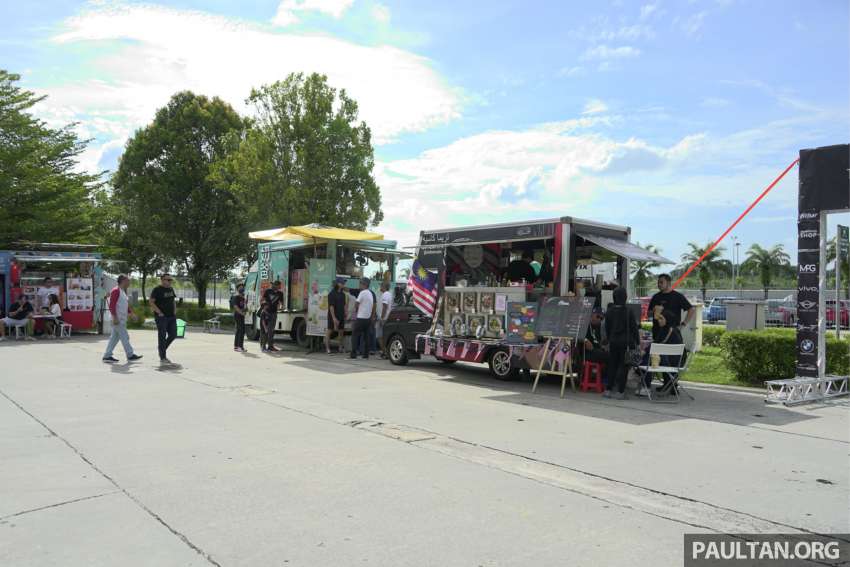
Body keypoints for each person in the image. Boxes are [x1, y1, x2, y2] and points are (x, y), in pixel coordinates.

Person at [603, 287, 639, 399]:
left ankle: (608, 390)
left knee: (612, 365)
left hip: (613, 342)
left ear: (614, 297)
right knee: (624, 367)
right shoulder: (628, 311)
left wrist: (609, 340)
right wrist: (637, 342)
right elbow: (634, 328)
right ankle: (620, 392)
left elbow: (607, 328)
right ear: (625, 297)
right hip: (626, 343)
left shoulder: (609, 312)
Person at [103, 275, 142, 363]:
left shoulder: (122, 292)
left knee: (114, 338)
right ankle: (130, 354)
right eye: (128, 281)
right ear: (123, 281)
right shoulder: (116, 291)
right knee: (125, 337)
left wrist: (132, 314)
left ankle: (107, 355)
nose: (129, 283)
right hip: (117, 319)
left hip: (121, 319)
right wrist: (114, 317)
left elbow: (125, 306)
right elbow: (112, 305)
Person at [648, 274, 695, 342]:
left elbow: (691, 309)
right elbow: (648, 314)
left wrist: (683, 325)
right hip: (657, 333)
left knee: (674, 352)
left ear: (669, 283)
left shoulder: (677, 296)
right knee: (657, 352)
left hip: (673, 334)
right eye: (658, 282)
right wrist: (654, 311)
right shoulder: (655, 297)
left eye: (661, 282)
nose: (659, 284)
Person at [149, 274, 178, 363]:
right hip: (161, 317)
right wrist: (159, 312)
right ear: (162, 280)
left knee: (173, 334)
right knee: (162, 336)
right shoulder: (157, 290)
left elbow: (173, 300)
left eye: (170, 280)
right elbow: (151, 302)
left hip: (171, 316)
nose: (170, 281)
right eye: (168, 280)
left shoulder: (171, 289)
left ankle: (162, 348)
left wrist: (175, 310)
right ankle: (163, 356)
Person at [350, 277, 375, 360]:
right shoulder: (370, 293)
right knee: (366, 337)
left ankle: (353, 355)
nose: (359, 285)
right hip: (368, 318)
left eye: (360, 283)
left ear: (364, 284)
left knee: (354, 335)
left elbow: (356, 304)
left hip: (361, 317)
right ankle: (366, 355)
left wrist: (354, 313)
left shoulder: (362, 292)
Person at [260, 281, 283, 353]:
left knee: (271, 331)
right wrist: (263, 308)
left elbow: (281, 303)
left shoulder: (280, 293)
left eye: (279, 286)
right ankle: (263, 347)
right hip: (266, 312)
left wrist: (281, 307)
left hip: (274, 313)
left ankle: (270, 346)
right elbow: (261, 300)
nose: (279, 287)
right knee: (265, 330)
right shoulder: (268, 291)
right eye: (278, 285)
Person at [326, 277, 347, 354]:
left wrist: (345, 312)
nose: (343, 284)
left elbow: (344, 305)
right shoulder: (331, 294)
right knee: (329, 331)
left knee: (341, 332)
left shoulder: (343, 294)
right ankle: (328, 348)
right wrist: (334, 318)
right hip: (333, 316)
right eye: (342, 283)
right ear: (338, 284)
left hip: (341, 315)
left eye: (344, 283)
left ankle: (340, 347)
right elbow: (331, 306)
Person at [377, 281, 393, 358]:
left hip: (383, 318)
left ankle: (385, 352)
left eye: (381, 286)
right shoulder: (389, 294)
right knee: (383, 336)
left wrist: (382, 318)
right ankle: (385, 352)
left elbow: (385, 306)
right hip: (387, 318)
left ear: (384, 287)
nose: (380, 287)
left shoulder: (385, 294)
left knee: (379, 336)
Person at [230, 283, 247, 353]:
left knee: (240, 330)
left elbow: (243, 307)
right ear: (237, 289)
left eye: (243, 287)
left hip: (242, 315)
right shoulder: (235, 297)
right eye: (240, 287)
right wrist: (241, 312)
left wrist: (246, 309)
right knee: (241, 330)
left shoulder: (243, 297)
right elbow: (235, 307)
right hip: (237, 315)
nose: (242, 288)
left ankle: (237, 346)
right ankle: (239, 346)